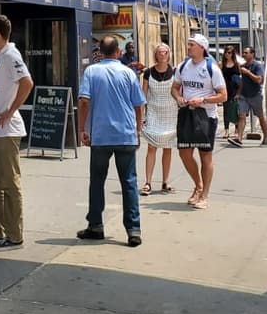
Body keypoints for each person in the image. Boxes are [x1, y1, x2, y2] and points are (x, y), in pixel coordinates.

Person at [77, 37, 147, 246]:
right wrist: (137, 129)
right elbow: (138, 104)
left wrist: (82, 129)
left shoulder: (91, 71)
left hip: (100, 135)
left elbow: (83, 100)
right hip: (125, 134)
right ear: (118, 52)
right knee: (129, 183)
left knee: (97, 181)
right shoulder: (128, 73)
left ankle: (96, 225)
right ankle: (133, 230)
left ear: (101, 51)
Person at [0, 14, 33, 250]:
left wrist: (11, 111)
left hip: (6, 130)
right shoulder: (0, 56)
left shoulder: (11, 55)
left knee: (9, 183)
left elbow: (27, 82)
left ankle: (14, 236)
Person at [171, 34, 226, 210]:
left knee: (205, 155)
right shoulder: (183, 66)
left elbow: (223, 95)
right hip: (187, 114)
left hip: (206, 117)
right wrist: (179, 97)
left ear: (202, 47)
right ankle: (198, 184)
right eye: (188, 44)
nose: (188, 47)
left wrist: (202, 101)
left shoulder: (212, 68)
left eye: (192, 45)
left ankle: (204, 195)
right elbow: (175, 87)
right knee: (184, 153)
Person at [139, 43, 178, 194]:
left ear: (169, 55)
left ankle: (165, 181)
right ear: (156, 54)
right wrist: (141, 116)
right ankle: (148, 182)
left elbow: (178, 91)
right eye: (160, 52)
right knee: (151, 147)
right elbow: (143, 95)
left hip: (170, 112)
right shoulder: (148, 72)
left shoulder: (175, 72)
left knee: (168, 148)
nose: (163, 55)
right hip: (154, 112)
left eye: (165, 52)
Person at [233, 46, 267, 146]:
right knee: (242, 116)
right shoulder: (243, 66)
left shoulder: (257, 66)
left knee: (260, 117)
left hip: (255, 95)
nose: (243, 54)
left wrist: (248, 72)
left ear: (252, 54)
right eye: (243, 53)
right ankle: (239, 138)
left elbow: (259, 80)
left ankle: (265, 137)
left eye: (246, 52)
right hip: (244, 95)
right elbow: (243, 82)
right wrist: (238, 93)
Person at [219, 45, 241, 143]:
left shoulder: (237, 64)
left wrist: (239, 92)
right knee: (226, 109)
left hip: (234, 89)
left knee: (235, 108)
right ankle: (226, 130)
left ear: (233, 54)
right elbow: (218, 77)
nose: (228, 54)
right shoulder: (221, 64)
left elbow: (240, 78)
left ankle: (236, 129)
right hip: (225, 88)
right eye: (226, 52)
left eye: (230, 52)